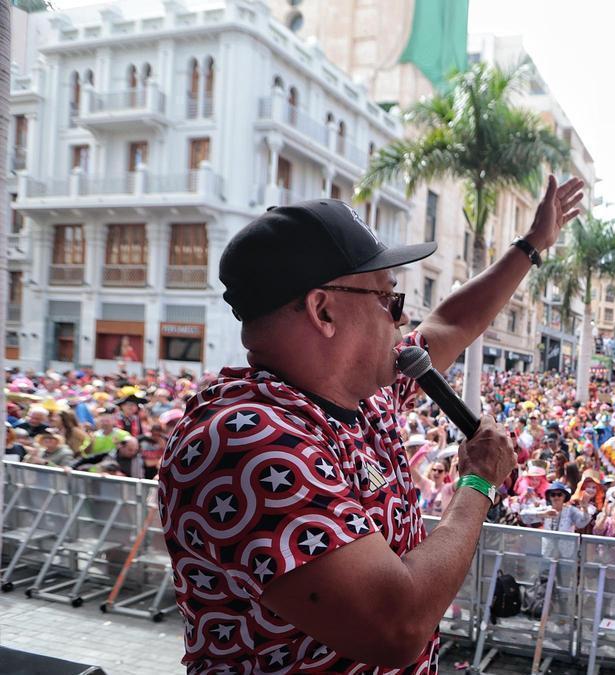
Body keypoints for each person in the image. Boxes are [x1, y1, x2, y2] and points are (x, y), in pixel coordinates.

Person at [158, 179, 582, 673]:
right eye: (389, 299)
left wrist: (531, 246)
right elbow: (395, 626)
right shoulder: (249, 441)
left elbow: (451, 323)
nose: (401, 319)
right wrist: (477, 482)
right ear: (323, 310)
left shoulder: (363, 400)